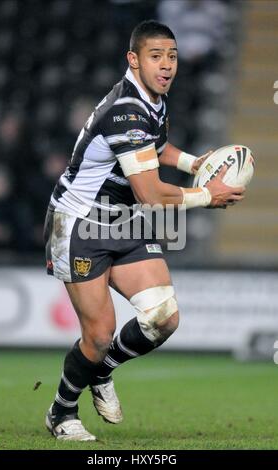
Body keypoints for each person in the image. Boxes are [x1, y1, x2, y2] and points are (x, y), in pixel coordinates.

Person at [43, 20, 245, 441]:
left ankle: (102, 371)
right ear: (133, 59)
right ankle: (62, 411)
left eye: (171, 56)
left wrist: (192, 163)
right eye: (156, 56)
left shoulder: (152, 101)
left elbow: (155, 146)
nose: (167, 64)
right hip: (79, 222)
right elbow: (151, 193)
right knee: (97, 335)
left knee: (163, 318)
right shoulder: (126, 111)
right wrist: (208, 194)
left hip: (121, 219)